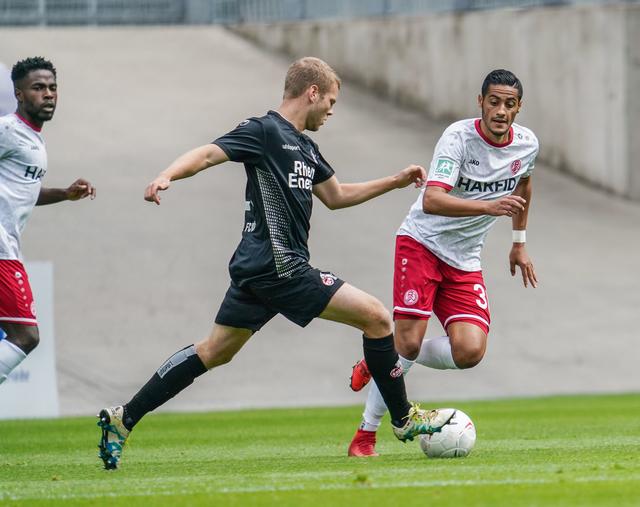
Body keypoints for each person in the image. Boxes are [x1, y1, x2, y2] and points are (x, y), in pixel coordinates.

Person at [96, 57, 455, 470]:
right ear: (312, 92)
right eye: (332, 101)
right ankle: (403, 419)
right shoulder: (265, 131)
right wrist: (167, 176)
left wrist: (393, 181)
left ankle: (124, 418)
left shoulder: (306, 147)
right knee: (377, 317)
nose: (332, 111)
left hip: (258, 269)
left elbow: (336, 197)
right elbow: (210, 153)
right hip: (279, 266)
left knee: (214, 351)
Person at [347, 69, 539, 457]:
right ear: (480, 102)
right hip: (422, 244)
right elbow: (433, 198)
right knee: (409, 345)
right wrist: (488, 206)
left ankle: (379, 360)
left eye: (509, 103)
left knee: (469, 352)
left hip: (464, 260)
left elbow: (524, 185)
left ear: (519, 108)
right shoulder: (458, 138)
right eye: (494, 101)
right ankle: (364, 436)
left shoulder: (527, 145)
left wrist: (518, 243)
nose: (500, 111)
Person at [0, 57, 96, 385]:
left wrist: (65, 194)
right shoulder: (8, 130)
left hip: (9, 244)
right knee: (25, 336)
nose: (49, 94)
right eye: (38, 88)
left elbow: (24, 191)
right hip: (2, 251)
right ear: (19, 94)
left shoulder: (34, 139)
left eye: (53, 88)